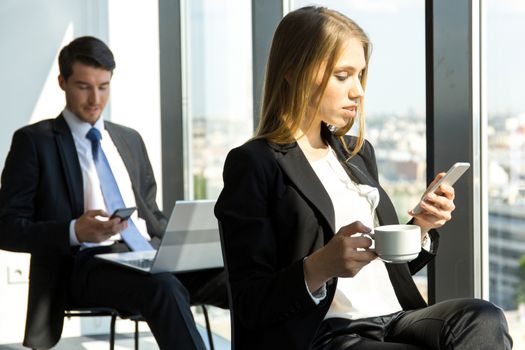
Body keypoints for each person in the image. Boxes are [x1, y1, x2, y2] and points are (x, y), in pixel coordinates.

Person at [214, 6, 512, 350]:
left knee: (482, 317)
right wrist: (319, 266)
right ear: (293, 72)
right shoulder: (255, 163)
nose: (358, 91)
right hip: (324, 332)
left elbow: (382, 269)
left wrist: (421, 227)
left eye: (360, 75)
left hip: (394, 318)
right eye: (343, 76)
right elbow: (249, 301)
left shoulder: (356, 153)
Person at [0, 36, 226, 350]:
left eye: (103, 86)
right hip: (85, 265)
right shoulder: (34, 142)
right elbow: (7, 228)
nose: (95, 98)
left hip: (149, 253)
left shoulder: (129, 139)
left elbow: (151, 213)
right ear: (62, 82)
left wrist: (182, 242)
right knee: (162, 287)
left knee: (239, 274)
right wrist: (73, 231)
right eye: (84, 86)